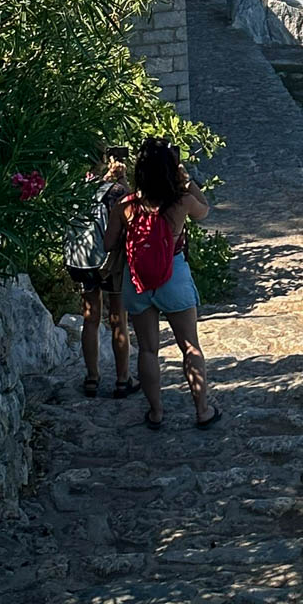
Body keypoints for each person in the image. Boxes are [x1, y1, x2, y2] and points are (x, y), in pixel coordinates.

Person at [104, 137, 219, 431]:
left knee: (147, 350)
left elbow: (108, 244)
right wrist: (186, 179)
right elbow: (205, 209)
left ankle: (156, 413)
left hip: (137, 280)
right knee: (190, 346)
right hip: (173, 277)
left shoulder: (126, 205)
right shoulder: (181, 202)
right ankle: (203, 411)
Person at [67, 150, 136, 399]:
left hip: (82, 260)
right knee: (118, 318)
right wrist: (122, 180)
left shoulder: (72, 189)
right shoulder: (116, 191)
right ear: (105, 160)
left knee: (90, 318)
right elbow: (132, 211)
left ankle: (92, 377)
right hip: (110, 260)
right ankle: (122, 379)